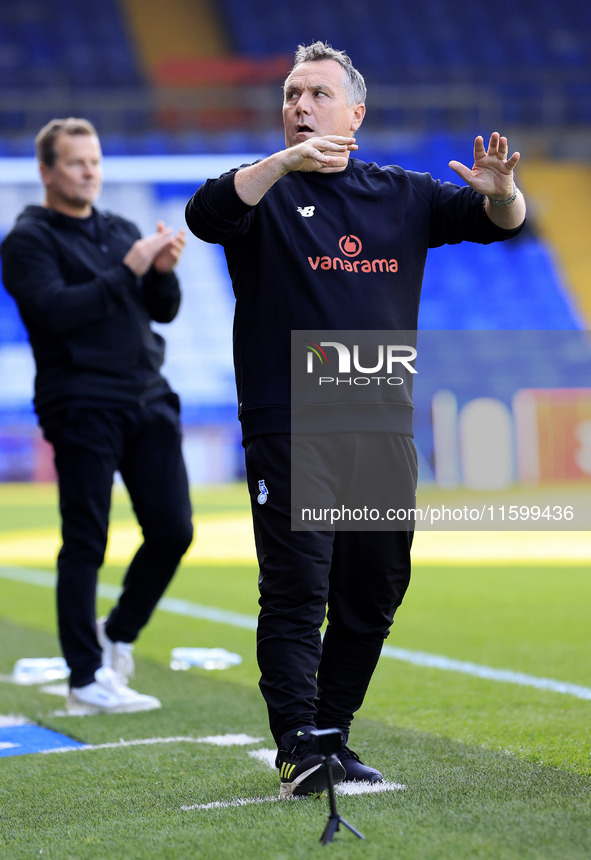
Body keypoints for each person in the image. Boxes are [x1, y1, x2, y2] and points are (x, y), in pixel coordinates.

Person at [185, 41, 526, 797]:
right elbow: (204, 215)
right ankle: (297, 744)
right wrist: (282, 162)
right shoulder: (258, 189)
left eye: (315, 93)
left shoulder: (399, 193)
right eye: (290, 94)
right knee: (299, 589)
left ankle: (331, 734)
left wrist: (503, 191)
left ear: (355, 113)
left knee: (372, 591)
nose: (299, 104)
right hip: (291, 417)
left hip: (377, 418)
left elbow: (500, 221)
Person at [1, 118, 194, 715]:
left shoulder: (121, 230)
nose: (90, 171)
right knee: (86, 539)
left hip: (148, 397)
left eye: (95, 160)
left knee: (174, 530)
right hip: (82, 403)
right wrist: (132, 268)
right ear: (47, 171)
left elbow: (162, 311)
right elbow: (57, 312)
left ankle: (117, 635)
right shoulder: (27, 240)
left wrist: (162, 273)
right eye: (77, 161)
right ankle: (84, 677)